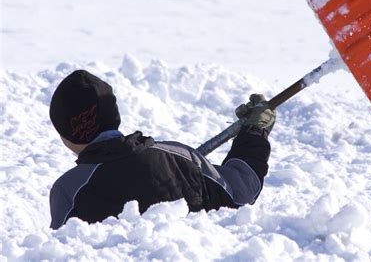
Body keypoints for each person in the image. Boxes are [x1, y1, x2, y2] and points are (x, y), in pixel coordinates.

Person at [48, 69, 276, 229]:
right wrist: (255, 131)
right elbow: (241, 192)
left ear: (65, 134)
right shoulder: (180, 157)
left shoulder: (68, 189)